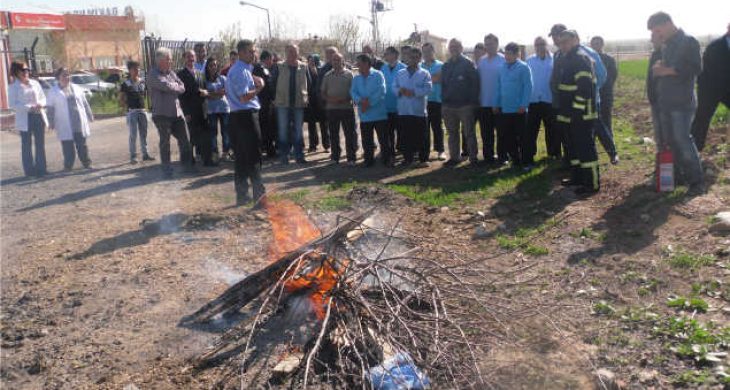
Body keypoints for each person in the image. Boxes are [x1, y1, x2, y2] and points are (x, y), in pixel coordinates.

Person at [646, 12, 704, 192]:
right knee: (670, 142)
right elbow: (665, 68)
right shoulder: (667, 45)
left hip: (682, 103)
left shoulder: (689, 42)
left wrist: (667, 70)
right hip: (665, 102)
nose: (658, 35)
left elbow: (696, 68)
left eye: (658, 30)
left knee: (683, 139)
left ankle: (696, 182)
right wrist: (659, 69)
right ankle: (678, 177)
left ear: (668, 23)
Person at [556, 30, 600, 195]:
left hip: (582, 113)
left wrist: (576, 110)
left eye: (566, 41)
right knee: (573, 149)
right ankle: (578, 177)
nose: (563, 45)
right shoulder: (567, 58)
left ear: (576, 40)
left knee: (585, 148)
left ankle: (592, 184)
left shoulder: (580, 58)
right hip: (570, 113)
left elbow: (585, 89)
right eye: (560, 42)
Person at [225, 39, 266, 204]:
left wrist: (254, 77)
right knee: (254, 155)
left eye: (254, 51)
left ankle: (242, 195)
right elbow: (244, 97)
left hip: (237, 117)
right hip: (246, 115)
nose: (254, 54)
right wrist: (259, 88)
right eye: (250, 51)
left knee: (241, 158)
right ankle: (259, 195)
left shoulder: (241, 69)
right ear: (241, 53)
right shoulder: (240, 71)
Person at [147, 47, 193, 178]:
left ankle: (187, 166)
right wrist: (174, 87)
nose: (171, 61)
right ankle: (166, 170)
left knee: (185, 140)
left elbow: (182, 86)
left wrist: (173, 86)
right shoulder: (153, 74)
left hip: (177, 113)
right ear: (161, 60)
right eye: (169, 59)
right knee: (165, 142)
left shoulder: (171, 73)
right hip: (162, 115)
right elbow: (166, 86)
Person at [691, 23, 730, 151]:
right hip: (709, 89)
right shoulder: (715, 46)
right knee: (702, 118)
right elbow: (716, 71)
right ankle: (694, 150)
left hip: (726, 88)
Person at [441, 38, 480, 166]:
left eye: (456, 46)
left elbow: (475, 84)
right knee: (452, 133)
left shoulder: (468, 64)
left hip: (465, 105)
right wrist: (444, 101)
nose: (453, 49)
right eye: (451, 47)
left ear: (461, 48)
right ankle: (454, 157)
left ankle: (473, 158)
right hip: (449, 106)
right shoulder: (446, 65)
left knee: (469, 133)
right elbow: (444, 84)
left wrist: (472, 102)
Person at [494, 43, 533, 169]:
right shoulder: (502, 67)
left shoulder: (523, 67)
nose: (507, 56)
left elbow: (528, 87)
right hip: (505, 109)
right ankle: (516, 160)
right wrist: (496, 103)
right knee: (509, 136)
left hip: (519, 109)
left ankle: (527, 162)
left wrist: (524, 104)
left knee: (523, 137)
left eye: (510, 53)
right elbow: (499, 87)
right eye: (506, 53)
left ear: (517, 54)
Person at [46, 67, 94, 170]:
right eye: (64, 75)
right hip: (64, 123)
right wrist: (50, 122)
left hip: (78, 122)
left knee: (82, 145)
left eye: (68, 75)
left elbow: (84, 103)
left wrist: (89, 115)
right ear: (58, 77)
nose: (66, 77)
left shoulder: (76, 88)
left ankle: (87, 163)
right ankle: (68, 166)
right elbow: (50, 109)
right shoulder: (53, 91)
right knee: (68, 147)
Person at [393, 47, 433, 168]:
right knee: (405, 135)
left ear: (420, 58)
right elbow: (393, 86)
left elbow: (428, 88)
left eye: (416, 57)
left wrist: (414, 92)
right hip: (404, 110)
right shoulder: (400, 73)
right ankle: (407, 158)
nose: (413, 59)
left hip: (418, 110)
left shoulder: (424, 73)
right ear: (407, 58)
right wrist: (400, 90)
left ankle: (423, 159)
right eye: (411, 57)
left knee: (422, 135)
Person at [9, 61, 48, 177]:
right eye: (23, 70)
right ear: (16, 72)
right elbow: (13, 105)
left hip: (38, 115)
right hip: (25, 118)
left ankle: (42, 169)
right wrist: (29, 107)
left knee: (40, 144)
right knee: (26, 145)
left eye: (27, 70)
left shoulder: (35, 83)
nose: (26, 72)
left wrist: (40, 104)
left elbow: (43, 97)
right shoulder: (13, 87)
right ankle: (29, 171)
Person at [273, 43, 310, 164]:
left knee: (298, 131)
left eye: (294, 52)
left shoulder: (304, 67)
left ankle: (299, 156)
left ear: (298, 53)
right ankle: (284, 156)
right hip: (282, 104)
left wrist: (306, 98)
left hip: (299, 104)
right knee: (283, 131)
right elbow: (272, 83)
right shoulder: (278, 66)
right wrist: (274, 99)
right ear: (286, 53)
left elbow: (309, 83)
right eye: (290, 52)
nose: (292, 54)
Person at [351, 54, 390, 167]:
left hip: (379, 114)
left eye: (359, 63)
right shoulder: (356, 78)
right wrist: (360, 101)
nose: (357, 66)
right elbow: (353, 92)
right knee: (366, 140)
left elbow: (382, 91)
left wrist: (369, 103)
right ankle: (368, 160)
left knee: (383, 139)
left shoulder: (378, 75)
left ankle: (386, 159)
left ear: (367, 63)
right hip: (365, 115)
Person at [178, 50, 214, 166]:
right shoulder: (180, 75)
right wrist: (186, 112)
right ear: (184, 58)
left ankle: (207, 159)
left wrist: (206, 93)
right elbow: (181, 96)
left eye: (192, 57)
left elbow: (204, 89)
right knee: (193, 135)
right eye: (188, 57)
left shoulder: (200, 73)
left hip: (202, 109)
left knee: (206, 134)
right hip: (191, 110)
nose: (191, 59)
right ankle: (190, 158)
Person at [321, 52, 356, 165]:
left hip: (346, 108)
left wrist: (347, 98)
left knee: (349, 134)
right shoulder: (327, 76)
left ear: (343, 61)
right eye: (333, 60)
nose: (335, 62)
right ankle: (335, 157)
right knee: (333, 134)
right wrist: (331, 100)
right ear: (331, 62)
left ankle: (351, 158)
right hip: (332, 109)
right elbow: (323, 93)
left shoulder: (349, 74)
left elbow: (354, 91)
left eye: (338, 60)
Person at [526, 37, 557, 160]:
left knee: (552, 130)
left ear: (547, 45)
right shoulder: (529, 61)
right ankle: (529, 155)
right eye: (537, 44)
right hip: (533, 101)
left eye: (542, 44)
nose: (539, 46)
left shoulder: (555, 59)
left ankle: (553, 154)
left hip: (549, 100)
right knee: (531, 130)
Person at [590, 35, 620, 164]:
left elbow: (612, 76)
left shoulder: (609, 59)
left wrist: (604, 88)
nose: (596, 45)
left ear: (602, 45)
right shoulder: (587, 59)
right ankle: (592, 150)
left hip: (606, 95)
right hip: (592, 96)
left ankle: (611, 151)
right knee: (593, 123)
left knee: (606, 121)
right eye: (593, 43)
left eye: (598, 43)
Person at [477, 33, 506, 163]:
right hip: (483, 103)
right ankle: (488, 157)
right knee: (486, 133)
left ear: (497, 44)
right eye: (486, 44)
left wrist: (499, 102)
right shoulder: (481, 61)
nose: (488, 47)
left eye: (491, 44)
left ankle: (502, 157)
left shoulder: (503, 60)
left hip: (499, 103)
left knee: (501, 133)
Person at [120, 60, 154, 164]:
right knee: (133, 135)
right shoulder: (126, 84)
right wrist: (127, 108)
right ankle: (133, 156)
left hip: (142, 111)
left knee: (144, 133)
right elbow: (121, 98)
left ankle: (145, 154)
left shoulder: (142, 82)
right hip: (132, 112)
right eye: (134, 69)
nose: (137, 70)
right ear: (129, 70)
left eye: (138, 68)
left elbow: (147, 95)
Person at [421, 42, 446, 161]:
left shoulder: (441, 65)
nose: (426, 54)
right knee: (424, 128)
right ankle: (424, 152)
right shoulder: (419, 66)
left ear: (433, 51)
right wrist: (433, 78)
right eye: (424, 51)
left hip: (437, 100)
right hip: (423, 101)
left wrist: (427, 79)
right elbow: (429, 80)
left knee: (437, 126)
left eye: (428, 51)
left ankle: (440, 151)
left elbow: (440, 79)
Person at [382, 46, 407, 156]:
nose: (385, 56)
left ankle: (402, 150)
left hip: (400, 106)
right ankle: (390, 151)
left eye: (387, 53)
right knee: (388, 131)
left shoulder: (404, 68)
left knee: (401, 130)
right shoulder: (383, 68)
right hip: (386, 106)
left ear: (395, 55)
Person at [205, 57, 230, 163]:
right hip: (211, 110)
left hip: (224, 108)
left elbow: (226, 91)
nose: (213, 67)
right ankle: (215, 153)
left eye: (215, 65)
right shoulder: (203, 80)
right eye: (211, 65)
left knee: (226, 132)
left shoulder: (222, 78)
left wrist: (211, 94)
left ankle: (226, 153)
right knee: (213, 133)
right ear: (207, 67)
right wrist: (217, 93)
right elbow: (204, 94)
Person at [254, 50, 276, 158]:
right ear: (267, 58)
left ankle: (268, 149)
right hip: (263, 103)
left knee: (267, 127)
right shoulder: (259, 68)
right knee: (265, 127)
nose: (272, 61)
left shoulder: (263, 69)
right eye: (271, 59)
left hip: (265, 102)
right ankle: (269, 150)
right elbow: (266, 86)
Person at [305, 54, 327, 152]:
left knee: (324, 124)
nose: (311, 62)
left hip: (321, 101)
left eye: (313, 60)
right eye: (310, 60)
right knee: (311, 124)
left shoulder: (321, 70)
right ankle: (313, 145)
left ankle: (327, 145)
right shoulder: (305, 71)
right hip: (310, 101)